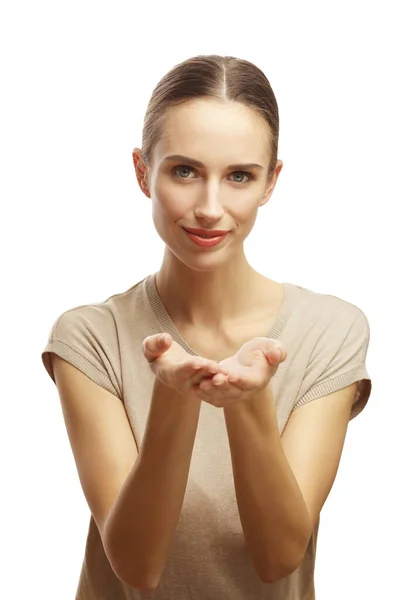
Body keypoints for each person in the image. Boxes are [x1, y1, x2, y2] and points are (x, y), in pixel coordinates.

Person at [41, 54, 372, 600]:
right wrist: (175, 398)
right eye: (185, 171)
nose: (210, 208)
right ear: (143, 171)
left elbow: (277, 556)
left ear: (271, 183)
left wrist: (247, 403)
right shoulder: (90, 337)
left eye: (239, 176)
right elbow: (136, 564)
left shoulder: (330, 331)